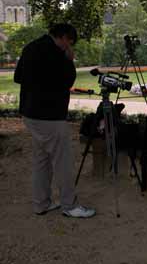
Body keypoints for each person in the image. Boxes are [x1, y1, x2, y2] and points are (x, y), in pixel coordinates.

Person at [14, 23, 95, 218]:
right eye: (70, 41)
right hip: (49, 116)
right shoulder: (56, 53)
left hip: (30, 113)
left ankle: (41, 203)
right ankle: (69, 205)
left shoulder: (31, 47)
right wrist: (69, 60)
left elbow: (18, 77)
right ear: (64, 37)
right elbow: (67, 80)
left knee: (41, 160)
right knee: (63, 161)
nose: (69, 45)